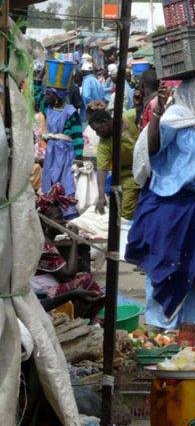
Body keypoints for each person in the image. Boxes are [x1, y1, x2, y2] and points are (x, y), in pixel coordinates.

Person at [126, 77, 195, 330]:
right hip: (170, 208)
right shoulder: (173, 120)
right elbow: (152, 149)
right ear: (190, 96)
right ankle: (161, 324)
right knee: (167, 267)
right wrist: (157, 114)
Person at [32, 184, 105, 320]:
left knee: (84, 277)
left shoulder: (44, 239)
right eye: (58, 219)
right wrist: (74, 241)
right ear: (46, 223)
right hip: (40, 292)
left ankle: (82, 320)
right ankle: (77, 321)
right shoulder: (44, 243)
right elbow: (67, 275)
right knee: (86, 281)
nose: (63, 221)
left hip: (42, 286)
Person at [88, 108, 141, 220]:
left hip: (152, 168)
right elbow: (102, 169)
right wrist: (101, 196)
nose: (97, 134)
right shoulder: (104, 144)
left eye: (97, 130)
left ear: (105, 122)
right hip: (129, 175)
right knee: (125, 213)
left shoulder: (130, 117)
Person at [42, 87, 83, 219]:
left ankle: (68, 214)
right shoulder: (48, 109)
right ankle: (52, 214)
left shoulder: (70, 113)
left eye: (49, 93)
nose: (46, 95)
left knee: (66, 182)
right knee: (51, 182)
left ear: (57, 96)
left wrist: (78, 156)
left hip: (65, 154)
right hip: (52, 154)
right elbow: (36, 97)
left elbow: (77, 135)